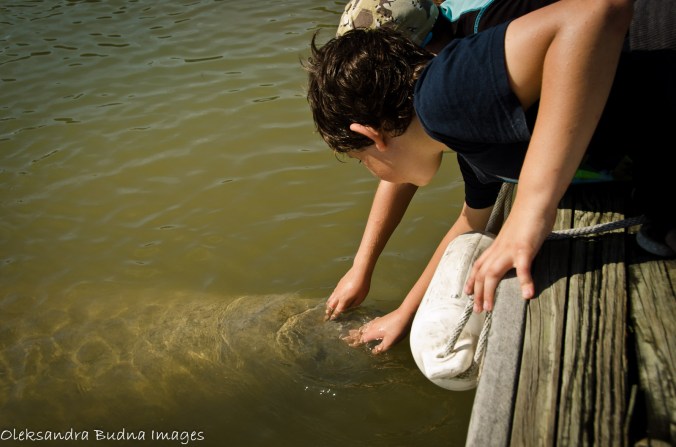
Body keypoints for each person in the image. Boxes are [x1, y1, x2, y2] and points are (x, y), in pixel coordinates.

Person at [307, 0, 676, 353]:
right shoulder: (467, 144)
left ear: (372, 135)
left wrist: (532, 207)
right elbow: (469, 222)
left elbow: (597, 12)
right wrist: (405, 311)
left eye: (362, 161)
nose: (375, 173)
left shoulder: (440, 97)